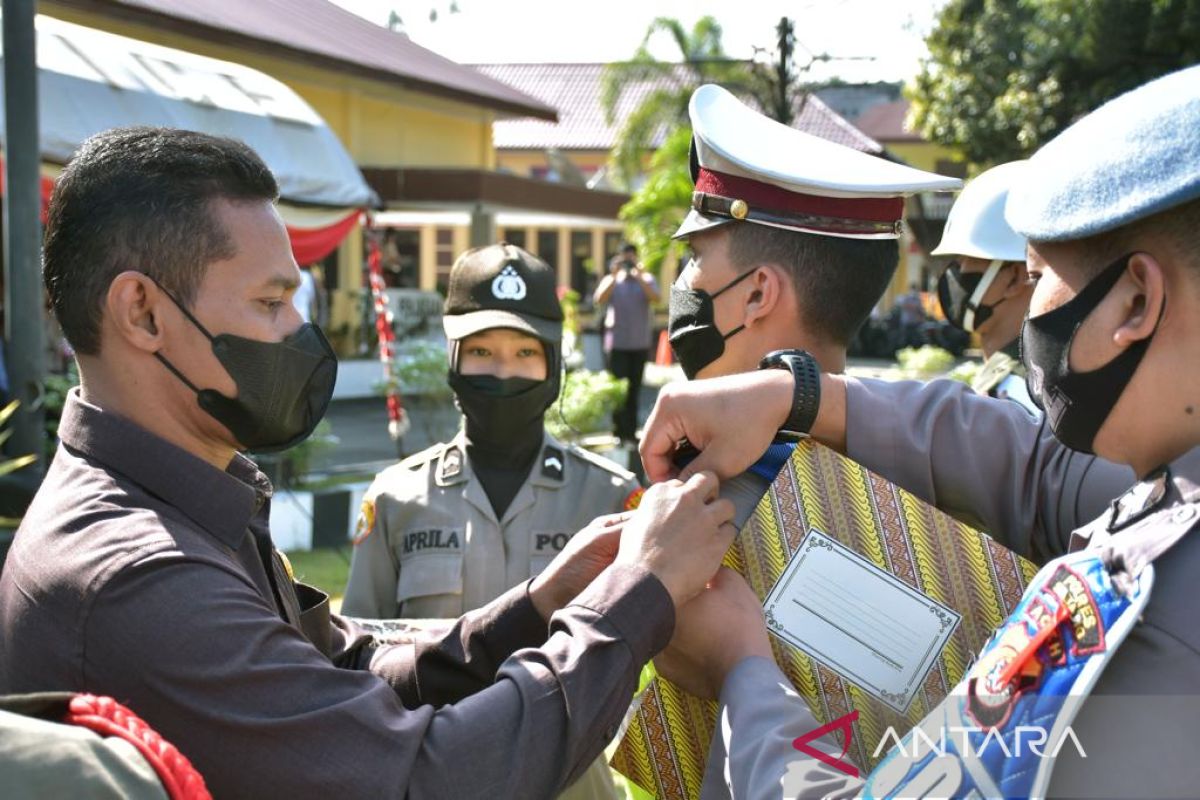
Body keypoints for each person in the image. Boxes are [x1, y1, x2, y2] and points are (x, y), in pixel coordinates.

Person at [0, 126, 739, 799]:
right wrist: (639, 594)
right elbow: (425, 779)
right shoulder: (140, 575)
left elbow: (341, 668)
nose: (300, 329)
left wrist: (539, 606)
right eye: (270, 302)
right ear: (144, 313)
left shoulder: (185, 503)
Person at [647, 64, 1200, 798]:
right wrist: (802, 395)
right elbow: (1039, 472)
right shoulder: (1173, 498)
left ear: (1135, 301)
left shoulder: (1140, 612)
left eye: (1037, 277)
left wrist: (743, 668)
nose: (1030, 316)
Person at [342, 242, 640, 800]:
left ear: (553, 365)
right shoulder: (396, 499)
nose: (503, 372)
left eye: (526, 353)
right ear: (453, 359)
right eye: (481, 350)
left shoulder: (611, 499)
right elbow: (359, 670)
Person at [657, 84, 961, 526]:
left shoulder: (702, 508)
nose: (683, 280)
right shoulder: (919, 491)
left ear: (758, 294)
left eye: (695, 256)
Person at [932, 160, 1038, 410]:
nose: (957, 271)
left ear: (1014, 278)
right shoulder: (1011, 378)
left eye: (970, 258)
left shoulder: (1017, 394)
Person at [593, 242, 660, 443]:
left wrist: (639, 274)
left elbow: (656, 298)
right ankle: (618, 430)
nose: (628, 264)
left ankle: (630, 432)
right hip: (617, 344)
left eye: (631, 258)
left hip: (639, 343)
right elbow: (599, 299)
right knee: (619, 390)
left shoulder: (646, 279)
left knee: (634, 388)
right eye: (625, 259)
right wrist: (613, 275)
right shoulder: (612, 281)